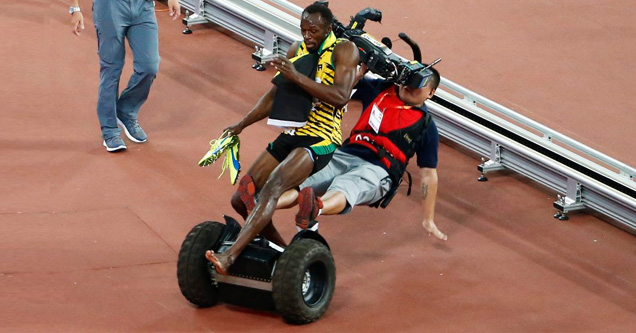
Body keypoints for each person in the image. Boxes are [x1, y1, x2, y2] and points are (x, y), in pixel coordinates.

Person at [205, 4, 360, 274]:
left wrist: (296, 76)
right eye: (303, 30)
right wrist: (241, 124)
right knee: (242, 198)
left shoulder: (344, 50)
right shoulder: (295, 51)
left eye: (314, 31)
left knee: (273, 188)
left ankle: (230, 256)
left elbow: (340, 96)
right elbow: (274, 96)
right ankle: (282, 251)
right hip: (293, 133)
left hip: (321, 138)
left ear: (327, 29)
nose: (308, 36)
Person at [278, 64, 448, 240]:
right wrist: (360, 72)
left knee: (347, 184)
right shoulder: (381, 90)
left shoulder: (426, 126)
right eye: (407, 81)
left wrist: (428, 219)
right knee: (304, 180)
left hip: (380, 169)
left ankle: (315, 208)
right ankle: (264, 202)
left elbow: (428, 174)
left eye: (417, 85)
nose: (409, 86)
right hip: (346, 154)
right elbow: (342, 89)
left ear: (430, 93)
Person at [70, 0, 181, 152]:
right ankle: (109, 130)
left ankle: (126, 110)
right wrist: (75, 8)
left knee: (149, 66)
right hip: (110, 8)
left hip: (143, 7)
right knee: (111, 69)